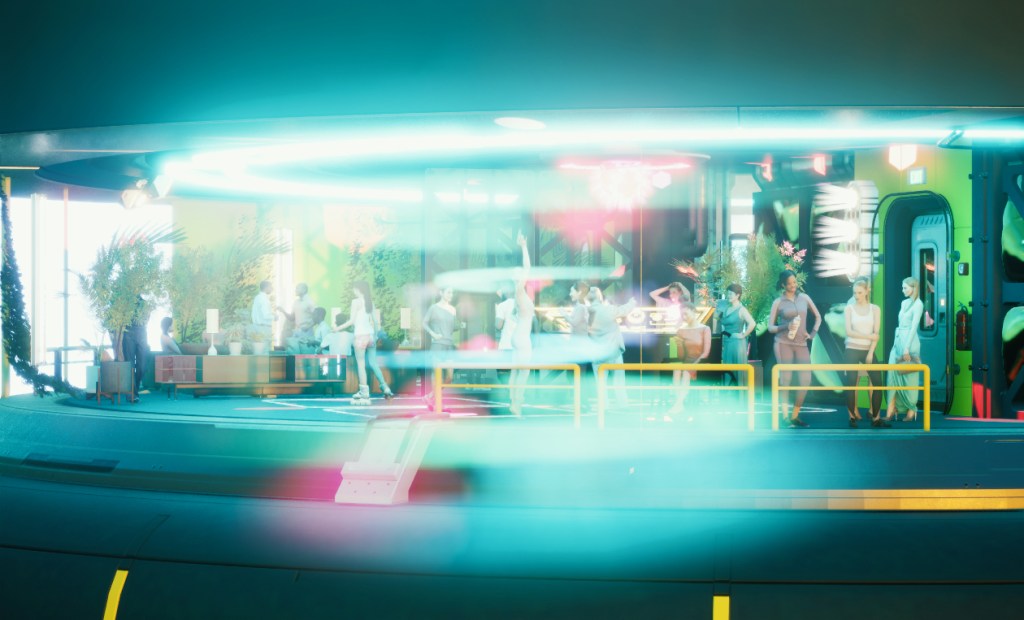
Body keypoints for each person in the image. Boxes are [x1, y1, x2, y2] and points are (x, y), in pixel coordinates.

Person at [767, 269, 822, 428]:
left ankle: (795, 415)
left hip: (801, 344)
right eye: (789, 283)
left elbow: (818, 317)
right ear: (783, 285)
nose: (793, 286)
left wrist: (812, 334)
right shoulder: (778, 302)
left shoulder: (804, 298)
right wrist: (786, 326)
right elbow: (770, 327)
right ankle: (785, 417)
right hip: (783, 343)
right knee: (786, 380)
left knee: (806, 380)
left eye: (794, 282)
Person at [844, 277, 889, 428]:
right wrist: (868, 336)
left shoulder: (875, 309)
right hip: (851, 348)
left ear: (867, 292)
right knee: (851, 383)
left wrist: (871, 352)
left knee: (878, 383)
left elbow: (876, 334)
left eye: (859, 292)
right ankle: (851, 417)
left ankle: (876, 418)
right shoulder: (849, 308)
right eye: (854, 292)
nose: (856, 295)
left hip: (867, 350)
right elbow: (849, 332)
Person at [588, 286, 636, 410]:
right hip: (614, 353)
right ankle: (623, 405)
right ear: (600, 298)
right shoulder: (607, 310)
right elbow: (624, 310)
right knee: (619, 381)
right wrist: (632, 301)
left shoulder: (587, 312)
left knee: (601, 384)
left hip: (598, 355)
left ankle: (604, 408)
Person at [885, 276, 924, 423]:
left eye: (905, 288)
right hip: (898, 340)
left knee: (909, 378)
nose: (903, 290)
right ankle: (890, 409)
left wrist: (907, 348)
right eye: (902, 287)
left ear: (913, 288)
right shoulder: (903, 303)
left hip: (910, 342)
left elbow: (914, 327)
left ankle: (911, 410)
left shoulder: (918, 304)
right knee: (892, 375)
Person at [334, 280, 377, 402]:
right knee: (371, 363)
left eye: (354, 288)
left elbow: (351, 321)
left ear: (359, 289)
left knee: (361, 364)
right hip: (371, 336)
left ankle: (364, 392)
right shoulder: (370, 302)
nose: (353, 291)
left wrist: (338, 328)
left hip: (360, 336)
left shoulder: (356, 302)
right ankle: (368, 390)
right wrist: (376, 334)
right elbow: (376, 321)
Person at [668, 301, 712, 417]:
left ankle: (678, 404)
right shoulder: (681, 330)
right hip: (685, 362)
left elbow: (705, 353)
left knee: (686, 372)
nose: (684, 317)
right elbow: (679, 355)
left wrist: (693, 366)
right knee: (677, 370)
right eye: (682, 315)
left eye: (686, 314)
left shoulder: (705, 329)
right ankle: (680, 405)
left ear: (693, 312)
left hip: (700, 362)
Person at [508, 232, 535, 416]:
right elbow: (528, 267)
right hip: (522, 337)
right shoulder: (518, 290)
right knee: (523, 371)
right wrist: (523, 246)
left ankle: (513, 401)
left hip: (518, 336)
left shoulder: (518, 293)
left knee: (517, 370)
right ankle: (516, 403)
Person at [423, 286, 458, 410]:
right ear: (441, 293)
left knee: (449, 377)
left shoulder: (453, 309)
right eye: (448, 292)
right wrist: (433, 334)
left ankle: (430, 396)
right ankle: (437, 402)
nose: (451, 295)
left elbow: (453, 328)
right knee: (437, 375)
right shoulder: (434, 308)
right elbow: (424, 323)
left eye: (452, 292)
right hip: (437, 345)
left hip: (449, 345)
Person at [718, 283, 756, 392]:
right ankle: (727, 398)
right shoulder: (726, 308)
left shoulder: (741, 309)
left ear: (738, 295)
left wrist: (743, 335)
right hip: (726, 342)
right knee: (727, 369)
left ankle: (740, 399)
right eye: (728, 293)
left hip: (737, 343)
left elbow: (752, 323)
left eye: (731, 293)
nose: (728, 295)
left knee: (737, 369)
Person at [122, 295, 151, 403]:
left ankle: (135, 390)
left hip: (142, 332)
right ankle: (132, 394)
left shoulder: (146, 303)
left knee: (142, 366)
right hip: (128, 332)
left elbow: (147, 318)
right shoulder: (126, 301)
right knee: (129, 364)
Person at [281, 283, 315, 351]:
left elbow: (317, 316)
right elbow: (292, 318)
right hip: (297, 331)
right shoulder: (295, 302)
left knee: (306, 354)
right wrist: (283, 311)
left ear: (304, 289)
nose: (295, 290)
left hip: (307, 332)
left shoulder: (310, 301)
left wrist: (308, 326)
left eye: (297, 288)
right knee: (296, 354)